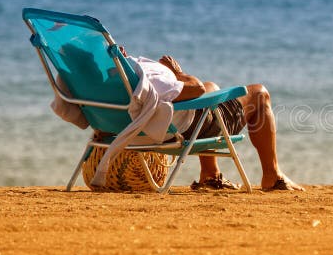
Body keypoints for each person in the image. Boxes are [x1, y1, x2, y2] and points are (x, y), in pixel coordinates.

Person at [122, 47, 304, 191]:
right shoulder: (142, 75)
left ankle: (210, 174)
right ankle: (272, 175)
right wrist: (178, 74)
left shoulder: (116, 78)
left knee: (212, 86)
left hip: (142, 130)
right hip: (183, 130)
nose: (120, 47)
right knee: (259, 93)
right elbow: (196, 89)